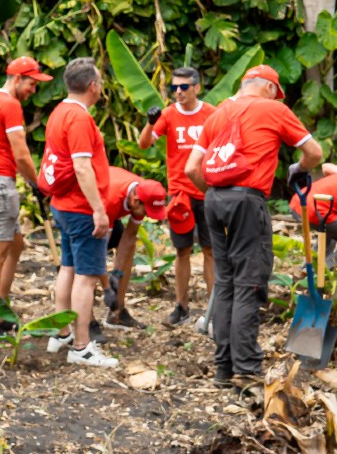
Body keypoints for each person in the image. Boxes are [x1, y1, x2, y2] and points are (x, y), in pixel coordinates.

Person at [185, 64, 322, 389]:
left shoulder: (217, 113)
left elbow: (192, 168)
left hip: (214, 199)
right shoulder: (274, 109)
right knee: (248, 283)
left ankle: (223, 369)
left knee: (226, 281)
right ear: (270, 88)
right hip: (247, 200)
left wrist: (220, 197)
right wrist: (298, 167)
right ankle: (245, 369)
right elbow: (314, 153)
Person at [40, 57, 119, 368]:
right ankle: (82, 346)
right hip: (80, 208)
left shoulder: (59, 112)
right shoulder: (80, 119)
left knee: (68, 269)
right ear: (93, 86)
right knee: (85, 278)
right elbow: (82, 167)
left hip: (62, 204)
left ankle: (61, 333)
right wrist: (99, 210)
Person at [0, 57, 51, 342]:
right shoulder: (10, 104)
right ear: (17, 79)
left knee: (15, 245)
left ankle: (0, 313)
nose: (33, 90)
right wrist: (37, 182)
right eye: (31, 83)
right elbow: (20, 153)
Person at [133, 67, 218, 325]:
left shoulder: (211, 114)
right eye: (174, 88)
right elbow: (143, 144)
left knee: (210, 250)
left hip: (205, 190)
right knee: (182, 251)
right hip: (179, 195)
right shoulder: (168, 114)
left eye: (184, 87)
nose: (178, 92)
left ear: (196, 88)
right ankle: (181, 306)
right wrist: (150, 123)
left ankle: (214, 310)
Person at [98, 167, 169, 329]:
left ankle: (117, 313)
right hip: (87, 209)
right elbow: (98, 253)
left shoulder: (144, 192)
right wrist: (107, 286)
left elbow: (129, 237)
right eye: (147, 211)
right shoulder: (111, 200)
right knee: (86, 267)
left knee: (128, 249)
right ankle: (85, 322)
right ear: (135, 201)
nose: (148, 215)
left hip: (110, 208)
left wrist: (117, 273)